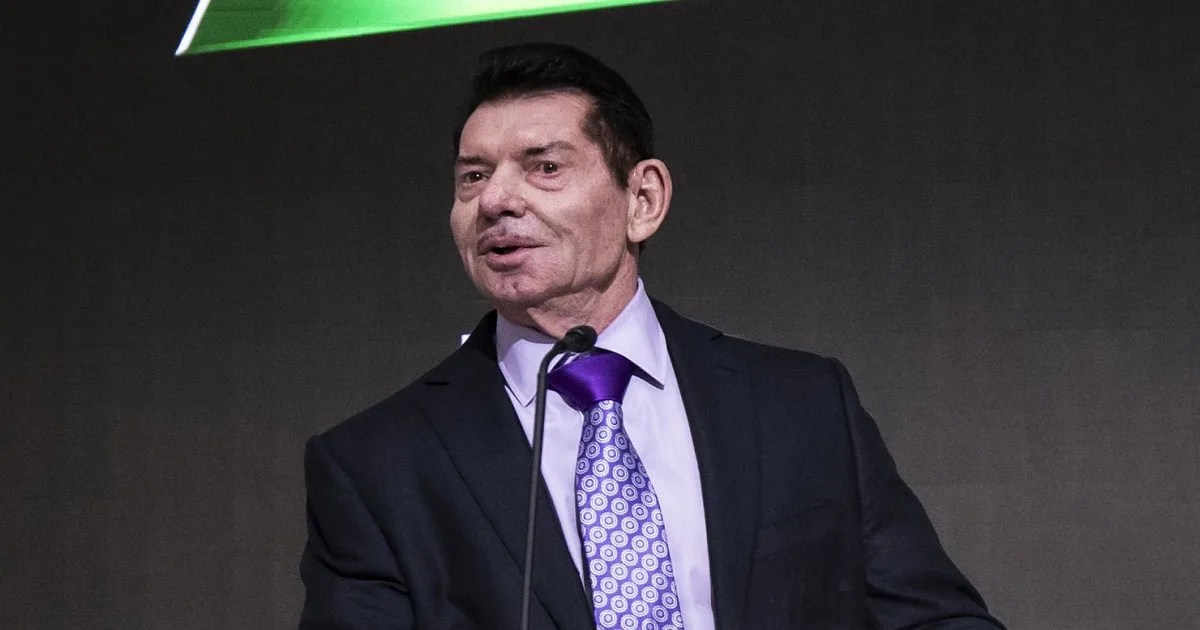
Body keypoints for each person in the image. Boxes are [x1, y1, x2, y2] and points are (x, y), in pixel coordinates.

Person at [299, 42, 1003, 630]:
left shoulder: (801, 404)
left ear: (643, 199)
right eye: (473, 176)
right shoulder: (375, 464)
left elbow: (932, 618)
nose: (496, 200)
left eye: (545, 167)